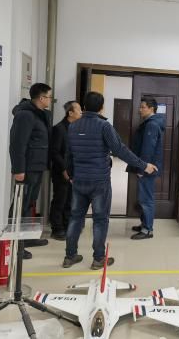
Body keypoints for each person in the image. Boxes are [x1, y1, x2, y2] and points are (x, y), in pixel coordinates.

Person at [63, 91, 158, 270]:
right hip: (99, 181)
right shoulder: (104, 126)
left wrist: (71, 175)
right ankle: (98, 259)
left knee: (75, 218)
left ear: (84, 107)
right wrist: (144, 165)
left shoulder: (73, 126)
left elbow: (69, 154)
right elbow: (120, 150)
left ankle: (70, 256)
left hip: (79, 180)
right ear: (101, 107)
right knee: (100, 219)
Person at [9, 83, 52, 259]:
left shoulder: (40, 114)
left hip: (37, 166)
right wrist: (18, 169)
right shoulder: (26, 115)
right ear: (41, 98)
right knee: (21, 204)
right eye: (49, 97)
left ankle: (25, 238)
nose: (50, 100)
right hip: (27, 168)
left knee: (29, 203)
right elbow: (17, 144)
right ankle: (15, 245)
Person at [127, 97, 165, 240]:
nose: (140, 109)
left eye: (143, 107)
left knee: (146, 199)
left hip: (148, 168)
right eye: (140, 106)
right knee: (143, 197)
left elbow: (148, 149)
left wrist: (142, 168)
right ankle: (144, 224)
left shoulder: (152, 125)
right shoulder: (150, 123)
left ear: (151, 108)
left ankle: (147, 230)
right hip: (147, 166)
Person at [49, 100, 82, 240]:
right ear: (70, 113)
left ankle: (68, 225)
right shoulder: (59, 129)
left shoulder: (76, 128)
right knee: (60, 200)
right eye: (78, 110)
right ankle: (57, 228)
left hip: (74, 171)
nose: (81, 112)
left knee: (70, 200)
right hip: (61, 172)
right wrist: (64, 169)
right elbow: (54, 152)